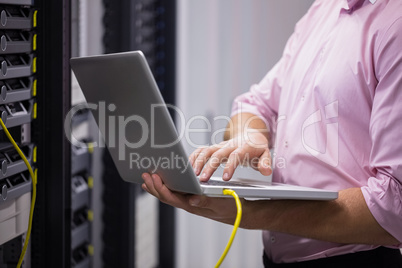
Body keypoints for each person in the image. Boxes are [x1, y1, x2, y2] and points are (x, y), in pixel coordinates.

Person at [142, 0, 402, 266]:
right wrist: (249, 135)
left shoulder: (395, 24)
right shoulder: (324, 9)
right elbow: (254, 105)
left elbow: (394, 207)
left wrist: (251, 213)